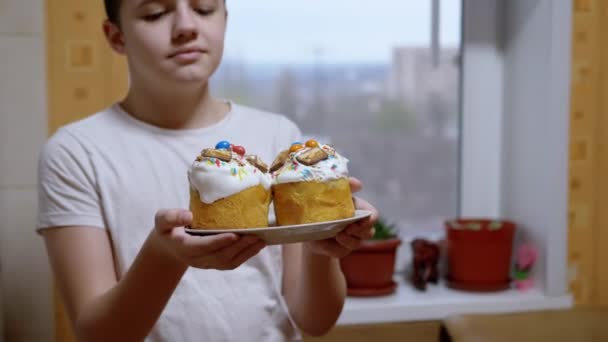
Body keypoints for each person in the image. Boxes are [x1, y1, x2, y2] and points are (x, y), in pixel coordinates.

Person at [37, 0, 379, 341]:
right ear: (116, 36)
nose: (187, 26)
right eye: (155, 13)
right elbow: (98, 335)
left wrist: (319, 245)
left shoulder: (278, 138)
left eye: (203, 8)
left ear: (225, 21)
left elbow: (315, 322)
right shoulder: (75, 153)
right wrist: (164, 255)